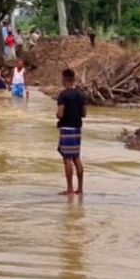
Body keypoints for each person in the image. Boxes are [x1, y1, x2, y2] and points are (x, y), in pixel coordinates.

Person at [57, 68, 87, 196]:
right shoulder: (81, 95)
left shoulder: (63, 95)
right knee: (76, 157)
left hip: (66, 128)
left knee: (67, 158)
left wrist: (58, 114)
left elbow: (60, 114)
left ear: (63, 80)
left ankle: (69, 189)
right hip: (77, 129)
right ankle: (80, 189)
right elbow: (84, 114)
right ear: (74, 79)